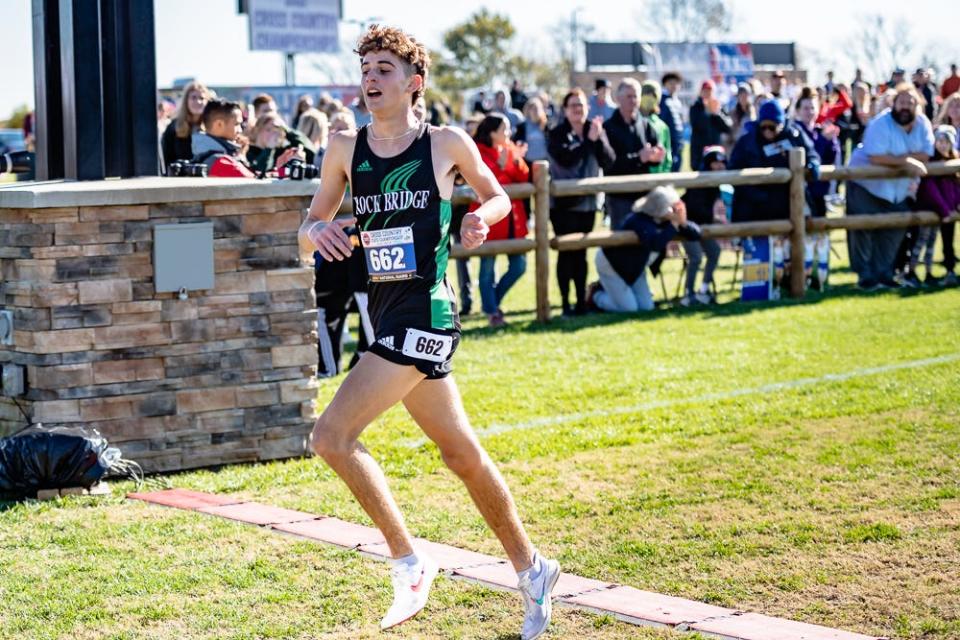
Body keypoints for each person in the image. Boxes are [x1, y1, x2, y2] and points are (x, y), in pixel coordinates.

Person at [299, 25, 560, 639]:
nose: (371, 77)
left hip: (428, 312)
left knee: (330, 436)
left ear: (415, 81)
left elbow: (498, 198)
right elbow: (313, 219)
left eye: (384, 67)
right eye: (366, 67)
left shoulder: (444, 143)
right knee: (460, 455)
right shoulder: (344, 148)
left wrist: (479, 219)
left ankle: (410, 562)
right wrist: (319, 232)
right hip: (384, 311)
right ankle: (534, 568)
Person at [846, 83, 934, 290]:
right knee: (864, 228)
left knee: (895, 229)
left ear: (917, 105)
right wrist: (907, 162)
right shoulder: (880, 123)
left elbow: (926, 154)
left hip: (899, 190)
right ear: (893, 103)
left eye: (910, 103)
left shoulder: (923, 124)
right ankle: (865, 277)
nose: (905, 107)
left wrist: (899, 160)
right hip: (867, 185)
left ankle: (885, 274)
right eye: (901, 102)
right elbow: (876, 156)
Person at [728, 99, 819, 284]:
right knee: (764, 245)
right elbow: (733, 170)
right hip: (756, 204)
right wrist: (754, 192)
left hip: (789, 202)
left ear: (782, 123)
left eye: (773, 127)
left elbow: (811, 153)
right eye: (764, 127)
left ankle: (793, 281)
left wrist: (813, 165)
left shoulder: (794, 134)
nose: (768, 131)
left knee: (791, 243)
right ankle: (763, 284)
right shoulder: (748, 140)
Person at [548, 88, 615, 315]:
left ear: (588, 108)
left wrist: (598, 139)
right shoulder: (557, 133)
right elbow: (566, 159)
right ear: (565, 110)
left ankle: (580, 302)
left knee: (581, 253)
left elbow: (609, 160)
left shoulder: (594, 129)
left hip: (588, 203)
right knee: (566, 252)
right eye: (573, 105)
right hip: (563, 204)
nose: (578, 109)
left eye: (581, 105)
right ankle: (565, 303)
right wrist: (588, 141)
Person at [588, 186, 701, 312]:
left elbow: (696, 234)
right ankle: (596, 296)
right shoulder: (638, 220)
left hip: (636, 267)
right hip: (612, 265)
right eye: (671, 207)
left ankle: (611, 291)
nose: (674, 210)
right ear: (659, 207)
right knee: (629, 309)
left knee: (646, 307)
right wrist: (675, 224)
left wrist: (683, 222)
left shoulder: (666, 221)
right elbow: (655, 243)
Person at [470, 113, 530, 327]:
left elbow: (524, 175)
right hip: (490, 220)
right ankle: (493, 312)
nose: (509, 133)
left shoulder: (509, 148)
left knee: (520, 265)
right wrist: (502, 167)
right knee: (487, 268)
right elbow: (485, 181)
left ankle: (491, 303)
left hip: (514, 221)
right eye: (505, 129)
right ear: (493, 133)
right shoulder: (476, 151)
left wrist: (510, 163)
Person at [794, 87, 841, 289]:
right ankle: (800, 278)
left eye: (812, 108)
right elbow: (810, 156)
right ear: (798, 110)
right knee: (802, 235)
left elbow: (831, 160)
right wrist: (823, 140)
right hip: (801, 195)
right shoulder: (794, 131)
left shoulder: (821, 130)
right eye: (805, 108)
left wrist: (832, 142)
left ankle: (820, 277)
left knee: (820, 236)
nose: (809, 112)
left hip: (820, 193)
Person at [603, 78, 666, 229]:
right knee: (622, 240)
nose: (633, 100)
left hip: (644, 193)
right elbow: (609, 164)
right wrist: (640, 157)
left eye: (636, 96)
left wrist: (656, 157)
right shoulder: (608, 127)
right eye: (628, 96)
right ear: (618, 99)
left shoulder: (646, 125)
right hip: (619, 195)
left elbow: (654, 153)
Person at [913, 125, 960, 285]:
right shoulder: (931, 164)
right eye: (939, 141)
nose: (942, 144)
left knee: (945, 242)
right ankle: (911, 270)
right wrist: (944, 210)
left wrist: (956, 205)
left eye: (946, 141)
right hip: (934, 210)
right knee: (922, 241)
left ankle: (942, 270)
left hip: (949, 211)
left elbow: (956, 188)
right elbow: (931, 190)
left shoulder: (954, 163)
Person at [680, 146, 727, 305]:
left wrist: (713, 220)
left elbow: (704, 212)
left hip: (701, 226)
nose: (720, 167)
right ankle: (688, 294)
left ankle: (704, 289)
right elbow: (694, 210)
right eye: (716, 163)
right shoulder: (699, 181)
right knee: (696, 257)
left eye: (722, 163)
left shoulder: (715, 184)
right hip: (687, 225)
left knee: (714, 252)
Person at [189, 98, 256, 178]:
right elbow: (256, 184)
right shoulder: (221, 162)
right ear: (219, 124)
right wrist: (241, 159)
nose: (240, 130)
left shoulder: (202, 154)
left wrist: (240, 156)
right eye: (236, 124)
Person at [161, 81, 211, 171]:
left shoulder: (212, 127)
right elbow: (166, 159)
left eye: (202, 98)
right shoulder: (173, 127)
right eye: (193, 98)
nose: (198, 101)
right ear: (186, 101)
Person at [246, 112, 314, 174]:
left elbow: (311, 153)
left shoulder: (279, 152)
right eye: (268, 130)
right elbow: (259, 170)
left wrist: (287, 130)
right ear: (258, 129)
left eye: (276, 131)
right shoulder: (247, 151)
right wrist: (269, 149)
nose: (272, 134)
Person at [689, 80, 732, 170]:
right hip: (699, 152)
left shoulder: (719, 107)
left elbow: (728, 127)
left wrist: (716, 113)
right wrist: (707, 112)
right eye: (705, 91)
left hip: (716, 151)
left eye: (710, 91)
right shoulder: (695, 107)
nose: (708, 93)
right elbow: (697, 125)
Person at [639, 81, 673, 174]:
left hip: (658, 176)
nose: (648, 98)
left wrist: (663, 175)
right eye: (645, 94)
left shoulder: (662, 126)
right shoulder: (633, 122)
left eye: (652, 95)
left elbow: (667, 156)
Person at [660, 72, 686, 173]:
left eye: (676, 83)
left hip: (679, 143)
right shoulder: (662, 101)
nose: (673, 86)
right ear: (665, 84)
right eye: (670, 83)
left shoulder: (677, 102)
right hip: (668, 143)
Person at [513, 97, 551, 163]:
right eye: (532, 109)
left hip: (544, 161)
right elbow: (516, 143)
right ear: (528, 110)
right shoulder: (522, 126)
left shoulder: (546, 125)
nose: (535, 111)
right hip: (528, 162)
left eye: (536, 109)